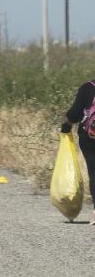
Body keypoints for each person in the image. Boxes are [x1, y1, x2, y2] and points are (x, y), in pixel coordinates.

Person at [62, 80, 95, 225]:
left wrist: (66, 125)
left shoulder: (88, 87)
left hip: (90, 137)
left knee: (94, 172)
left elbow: (75, 114)